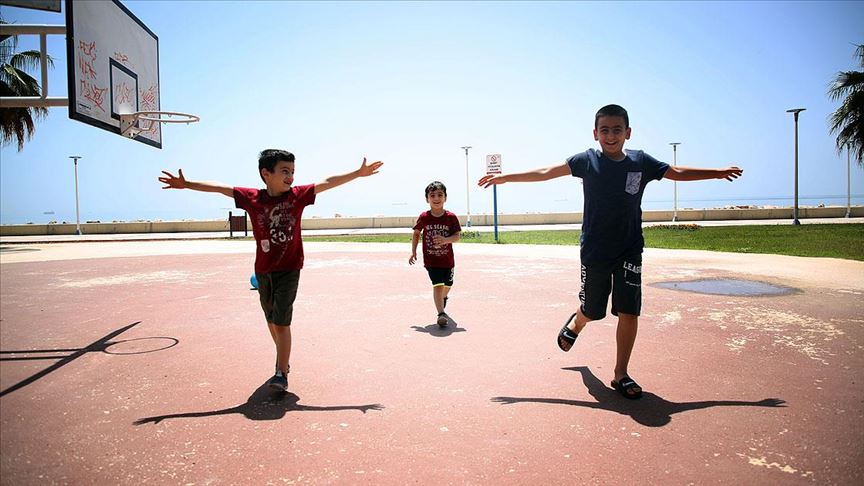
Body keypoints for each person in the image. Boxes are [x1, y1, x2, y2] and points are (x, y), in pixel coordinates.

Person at [478, 104, 742, 399]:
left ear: (628, 132)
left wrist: (717, 173)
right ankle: (577, 324)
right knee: (593, 310)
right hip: (595, 249)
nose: (611, 135)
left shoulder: (641, 161)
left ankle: (621, 374)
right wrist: (506, 177)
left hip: (630, 248)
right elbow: (545, 171)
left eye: (617, 130)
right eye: (604, 130)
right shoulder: (586, 160)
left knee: (629, 310)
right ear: (595, 133)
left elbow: (676, 171)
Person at [158, 149, 383, 391]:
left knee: (282, 322)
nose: (291, 177)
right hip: (264, 270)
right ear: (266, 173)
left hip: (290, 269)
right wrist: (187, 184)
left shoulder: (298, 196)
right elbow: (220, 188)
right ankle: (283, 358)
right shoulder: (252, 197)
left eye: (293, 172)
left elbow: (327, 182)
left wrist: (357, 173)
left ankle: (281, 372)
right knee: (271, 320)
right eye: (285, 171)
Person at [409, 181, 462, 328]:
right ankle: (441, 314)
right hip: (432, 260)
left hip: (448, 260)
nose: (436, 198)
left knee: (448, 284)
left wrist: (446, 240)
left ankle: (443, 297)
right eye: (432, 195)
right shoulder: (424, 217)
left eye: (440, 195)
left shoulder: (451, 217)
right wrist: (413, 251)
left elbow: (457, 237)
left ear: (445, 197)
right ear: (427, 199)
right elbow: (416, 233)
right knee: (437, 284)